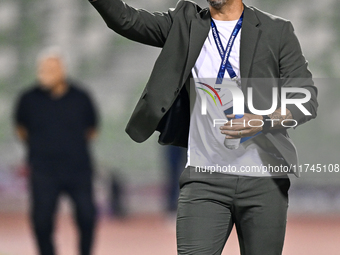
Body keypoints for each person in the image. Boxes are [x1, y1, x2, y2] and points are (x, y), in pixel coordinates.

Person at [89, 0, 318, 254]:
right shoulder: (186, 23)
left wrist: (263, 122)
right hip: (204, 179)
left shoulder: (276, 30)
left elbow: (306, 99)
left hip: (263, 180)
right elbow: (125, 19)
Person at [14, 48, 98, 255]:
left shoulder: (81, 96)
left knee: (87, 216)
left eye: (51, 68)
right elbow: (21, 129)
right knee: (41, 221)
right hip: (44, 170)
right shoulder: (28, 99)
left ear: (62, 69)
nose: (45, 73)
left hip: (78, 169)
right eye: (42, 69)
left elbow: (92, 129)